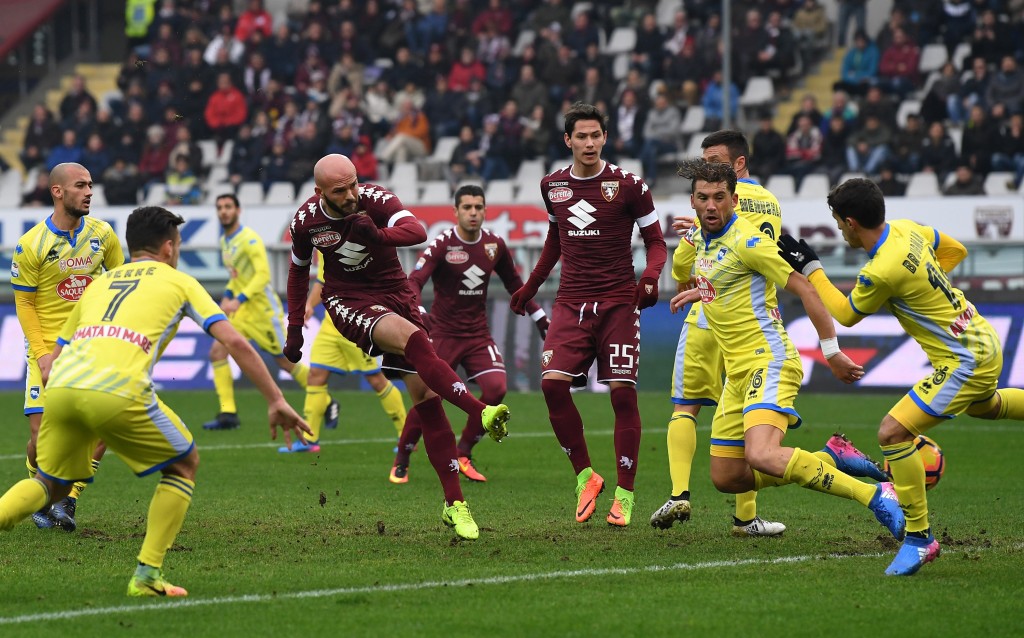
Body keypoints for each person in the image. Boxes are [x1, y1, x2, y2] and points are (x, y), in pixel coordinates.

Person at [0, 206, 309, 597]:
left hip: (61, 387)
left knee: (50, 483)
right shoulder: (179, 282)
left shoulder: (99, 284)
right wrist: (276, 399)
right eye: (177, 244)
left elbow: (55, 357)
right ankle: (147, 575)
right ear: (168, 247)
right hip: (116, 387)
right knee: (184, 464)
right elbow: (232, 341)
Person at [777, 178, 1024, 575]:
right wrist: (926, 285)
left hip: (963, 361)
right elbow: (954, 249)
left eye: (840, 223)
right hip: (981, 335)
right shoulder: (909, 229)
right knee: (985, 406)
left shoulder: (881, 270)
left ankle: (920, 539)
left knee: (892, 434)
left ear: (852, 222)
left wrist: (811, 268)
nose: (840, 229)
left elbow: (845, 314)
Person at [652, 131, 886, 535]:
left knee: (726, 431)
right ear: (693, 200)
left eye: (718, 192)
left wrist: (830, 351)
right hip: (733, 346)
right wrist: (702, 286)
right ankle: (817, 466)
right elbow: (708, 269)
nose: (711, 202)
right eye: (703, 196)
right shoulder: (724, 227)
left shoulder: (738, 233)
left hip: (759, 346)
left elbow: (793, 282)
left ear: (735, 186)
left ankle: (874, 497)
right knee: (729, 474)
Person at [284, 154, 511, 541]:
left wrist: (377, 235)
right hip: (348, 300)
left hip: (396, 293)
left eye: (355, 183)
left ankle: (454, 504)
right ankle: (481, 411)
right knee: (414, 339)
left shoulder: (375, 198)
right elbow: (297, 270)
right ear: (320, 192)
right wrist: (294, 327)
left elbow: (416, 230)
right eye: (341, 190)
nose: (352, 194)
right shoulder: (306, 222)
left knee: (426, 399)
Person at [509, 102, 667, 527]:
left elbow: (656, 241)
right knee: (552, 386)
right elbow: (555, 239)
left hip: (618, 302)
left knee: (621, 393)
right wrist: (531, 286)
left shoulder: (629, 185)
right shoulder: (552, 186)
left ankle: (626, 493)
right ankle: (585, 476)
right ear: (568, 140)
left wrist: (651, 278)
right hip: (571, 302)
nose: (590, 142)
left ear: (605, 138)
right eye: (582, 136)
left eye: (596, 135)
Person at [390, 185, 549, 484]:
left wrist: (540, 318)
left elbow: (516, 284)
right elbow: (415, 280)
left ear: (485, 210)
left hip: (478, 335)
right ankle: (402, 457)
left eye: (478, 207)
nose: (473, 213)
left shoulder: (494, 245)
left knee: (496, 389)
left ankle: (463, 451)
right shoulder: (442, 244)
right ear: (456, 212)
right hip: (443, 334)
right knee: (427, 396)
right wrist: (416, 311)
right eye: (467, 207)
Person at [11, 162, 124, 531]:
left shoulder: (102, 234)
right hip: (46, 348)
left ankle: (68, 501)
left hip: (90, 346)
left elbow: (121, 282)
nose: (89, 191)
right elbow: (25, 304)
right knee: (42, 442)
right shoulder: (31, 245)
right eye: (80, 185)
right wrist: (43, 355)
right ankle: (40, 489)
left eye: (91, 184)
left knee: (102, 426)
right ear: (58, 192)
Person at [202, 194, 320, 432]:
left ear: (238, 210)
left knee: (285, 362)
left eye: (228, 207)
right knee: (217, 352)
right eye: (220, 207)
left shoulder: (249, 240)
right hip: (242, 312)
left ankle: (324, 400)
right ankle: (228, 413)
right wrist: (228, 295)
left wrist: (239, 299)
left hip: (262, 311)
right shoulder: (226, 240)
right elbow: (237, 276)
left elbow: (262, 276)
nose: (223, 211)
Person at [290, 254, 409, 454]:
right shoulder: (323, 240)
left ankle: (406, 436)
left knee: (376, 380)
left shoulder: (357, 237)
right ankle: (309, 440)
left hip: (355, 320)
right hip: (331, 323)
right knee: (316, 376)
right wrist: (309, 305)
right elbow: (322, 280)